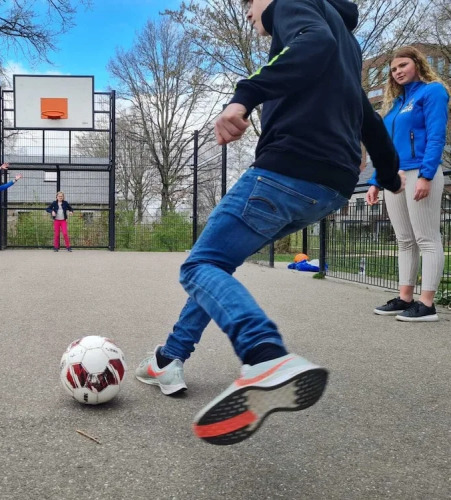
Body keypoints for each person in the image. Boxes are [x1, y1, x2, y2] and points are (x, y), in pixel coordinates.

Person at [134, 0, 405, 446]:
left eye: (248, 3)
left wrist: (244, 96)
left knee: (199, 266)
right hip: (331, 189)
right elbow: (370, 120)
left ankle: (264, 355)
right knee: (218, 265)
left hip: (287, 171)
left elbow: (313, 43)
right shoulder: (346, 47)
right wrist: (390, 175)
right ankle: (168, 358)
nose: (247, 12)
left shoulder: (294, 7)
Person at [367, 46, 449, 322]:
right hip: (395, 177)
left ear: (417, 64)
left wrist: (426, 175)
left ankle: (427, 304)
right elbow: (386, 149)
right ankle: (405, 298)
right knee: (404, 240)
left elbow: (436, 136)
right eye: (393, 69)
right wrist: (375, 182)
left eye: (403, 65)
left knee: (427, 238)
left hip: (420, 173)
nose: (398, 71)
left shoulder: (432, 91)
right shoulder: (394, 106)